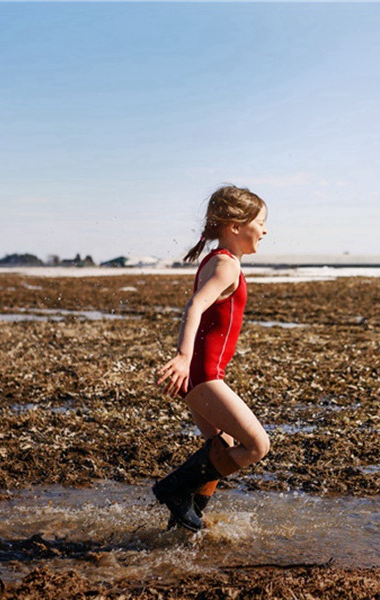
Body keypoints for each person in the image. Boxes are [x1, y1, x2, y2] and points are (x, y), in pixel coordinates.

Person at [153, 185, 270, 532]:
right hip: (203, 375)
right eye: (261, 222)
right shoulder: (225, 265)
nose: (265, 230)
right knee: (257, 446)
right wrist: (183, 357)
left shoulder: (218, 261)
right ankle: (174, 490)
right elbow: (196, 306)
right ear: (235, 225)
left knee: (223, 446)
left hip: (201, 376)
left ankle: (187, 519)